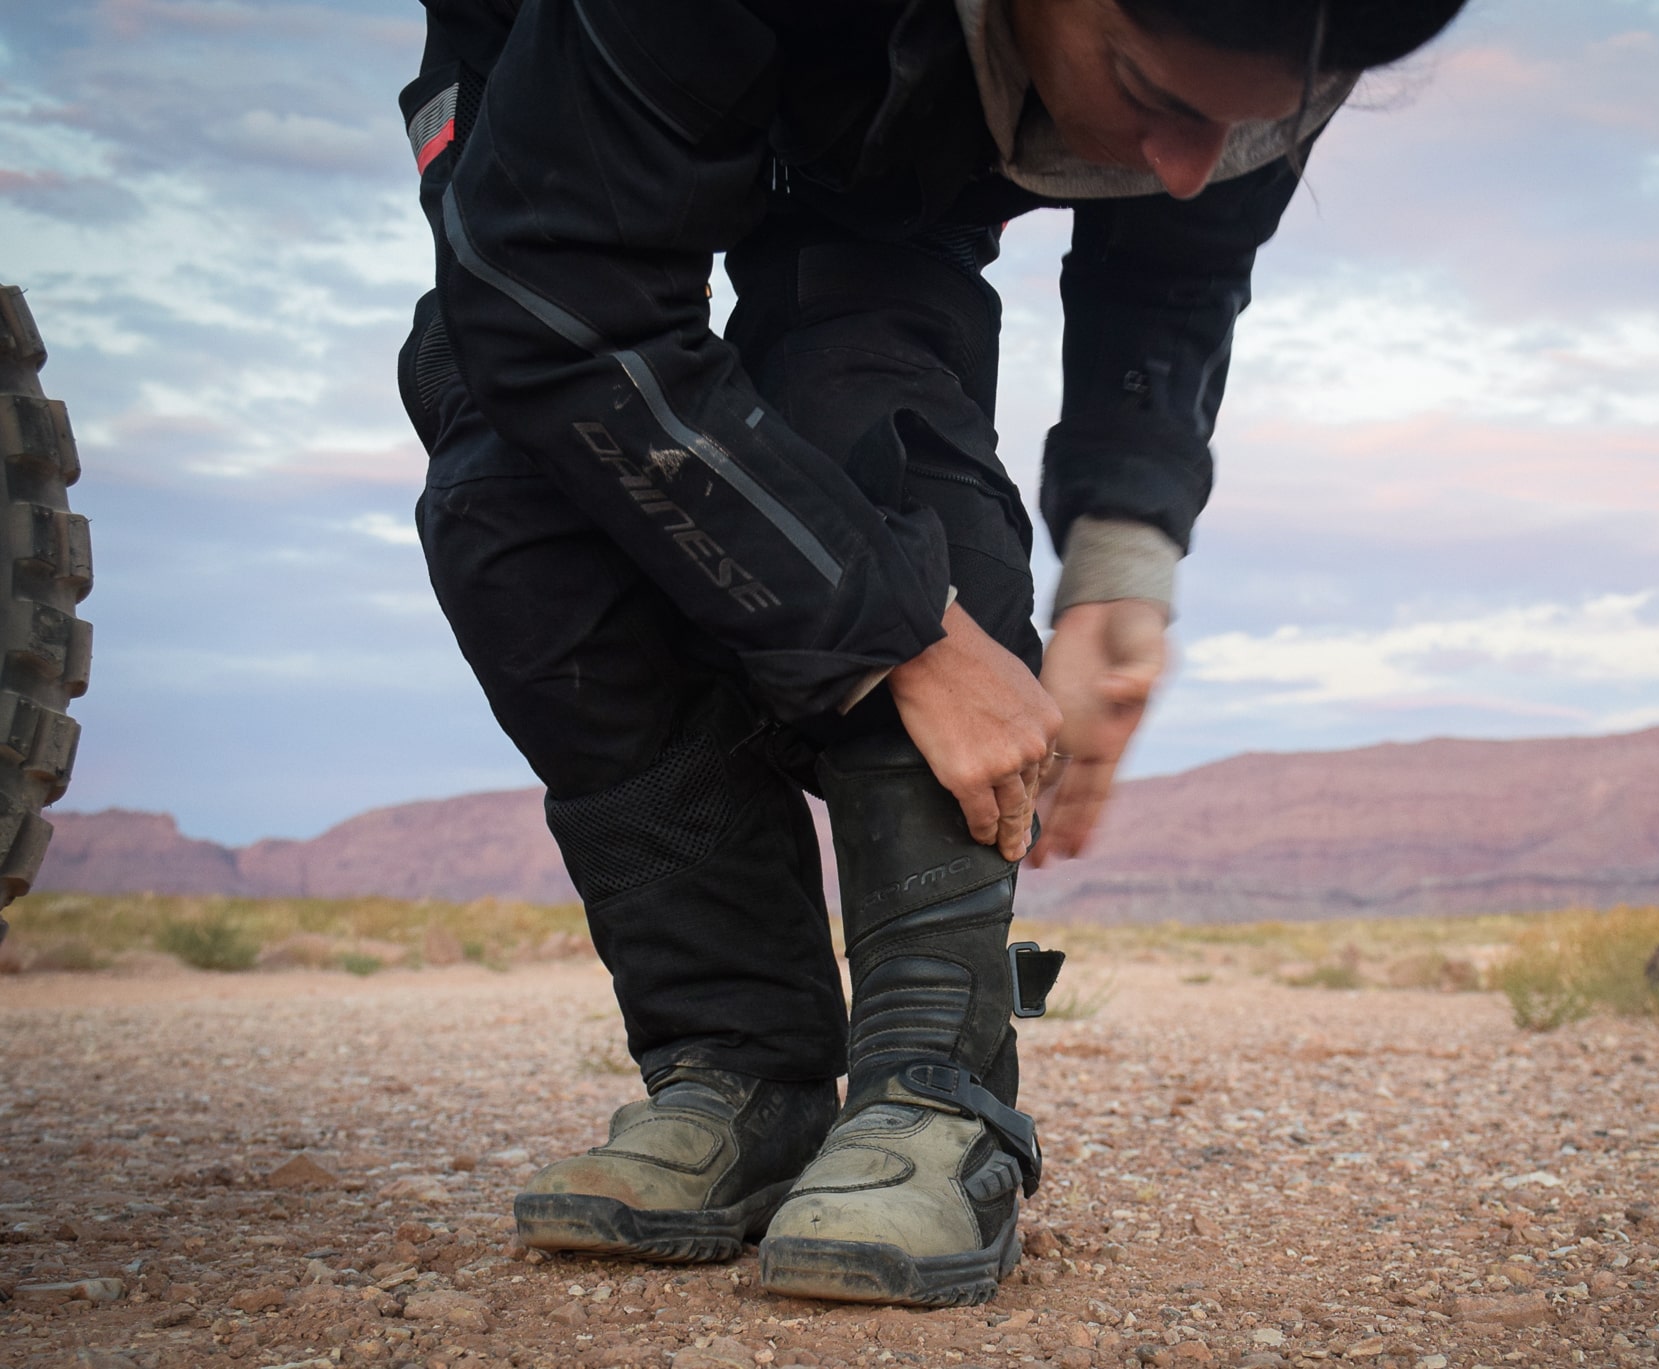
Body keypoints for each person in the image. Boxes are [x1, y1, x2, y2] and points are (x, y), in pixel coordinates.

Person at [395, 0, 1466, 1307]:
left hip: (887, 166)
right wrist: (897, 635)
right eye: (1154, 93)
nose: (1191, 162)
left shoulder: (1300, 24)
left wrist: (1122, 557)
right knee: (517, 511)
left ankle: (929, 1089)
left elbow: (1180, 253)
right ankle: (743, 1070)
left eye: (1250, 126)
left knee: (883, 429)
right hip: (578, 103)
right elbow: (558, 304)